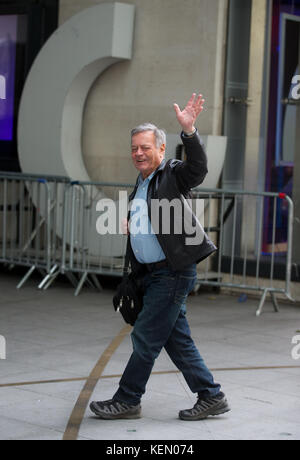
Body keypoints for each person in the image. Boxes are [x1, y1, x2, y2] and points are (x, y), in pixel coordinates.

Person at [90, 93, 230, 421]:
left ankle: (127, 399)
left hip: (172, 273)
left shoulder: (171, 174)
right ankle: (211, 395)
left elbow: (197, 169)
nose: (139, 153)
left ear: (161, 149)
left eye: (145, 147)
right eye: (134, 148)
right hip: (152, 274)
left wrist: (190, 131)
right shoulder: (141, 183)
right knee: (175, 340)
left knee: (145, 336)